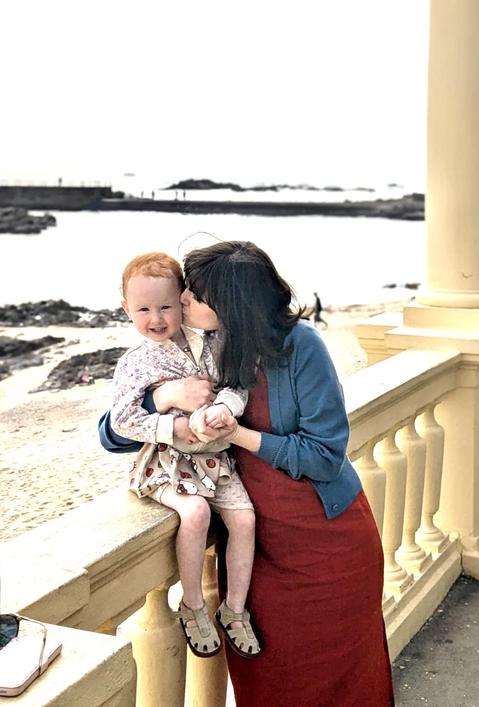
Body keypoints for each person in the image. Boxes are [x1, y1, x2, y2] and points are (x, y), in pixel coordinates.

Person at [101, 241, 394, 706]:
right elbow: (112, 433)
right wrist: (166, 397)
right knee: (268, 676)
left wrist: (236, 435)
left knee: (342, 676)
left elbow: (323, 454)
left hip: (325, 542)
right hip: (261, 552)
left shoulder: (302, 348)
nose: (182, 302)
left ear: (229, 305)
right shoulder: (211, 348)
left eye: (193, 296)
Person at [112, 252, 261, 659]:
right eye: (143, 309)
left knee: (244, 519)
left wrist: (225, 408)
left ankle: (234, 609)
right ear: (126, 309)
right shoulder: (134, 362)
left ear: (182, 300)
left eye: (165, 306)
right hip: (166, 461)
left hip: (216, 460)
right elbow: (122, 421)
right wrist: (171, 426)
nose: (155, 318)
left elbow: (236, 384)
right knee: (195, 514)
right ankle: (193, 605)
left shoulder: (212, 342)